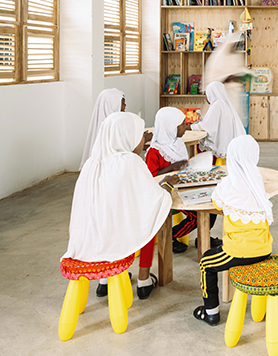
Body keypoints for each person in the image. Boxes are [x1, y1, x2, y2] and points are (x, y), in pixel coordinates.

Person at [63, 112, 176, 300]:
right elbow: (152, 199)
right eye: (140, 136)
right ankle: (144, 279)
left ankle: (104, 282)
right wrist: (167, 185)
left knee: (109, 216)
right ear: (127, 137)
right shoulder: (129, 161)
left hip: (87, 242)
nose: (143, 141)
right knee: (150, 217)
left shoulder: (92, 162)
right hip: (114, 242)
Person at [194, 135, 274, 326]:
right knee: (252, 252)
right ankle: (273, 299)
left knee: (206, 263)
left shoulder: (229, 184)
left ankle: (211, 312)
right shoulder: (258, 181)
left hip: (238, 251)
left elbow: (216, 202)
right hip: (264, 248)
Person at [146, 107, 218, 255]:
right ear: (171, 127)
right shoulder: (155, 151)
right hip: (167, 193)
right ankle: (170, 236)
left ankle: (203, 238)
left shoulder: (177, 142)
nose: (186, 127)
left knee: (212, 206)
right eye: (182, 124)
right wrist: (172, 168)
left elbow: (183, 166)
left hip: (184, 187)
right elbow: (151, 179)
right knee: (196, 216)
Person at [192, 81, 246, 162]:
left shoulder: (216, 105)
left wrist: (191, 126)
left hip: (219, 146)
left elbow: (207, 127)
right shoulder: (224, 104)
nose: (206, 97)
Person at [80, 88, 126, 169]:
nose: (125, 106)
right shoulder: (110, 128)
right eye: (122, 103)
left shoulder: (103, 124)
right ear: (112, 106)